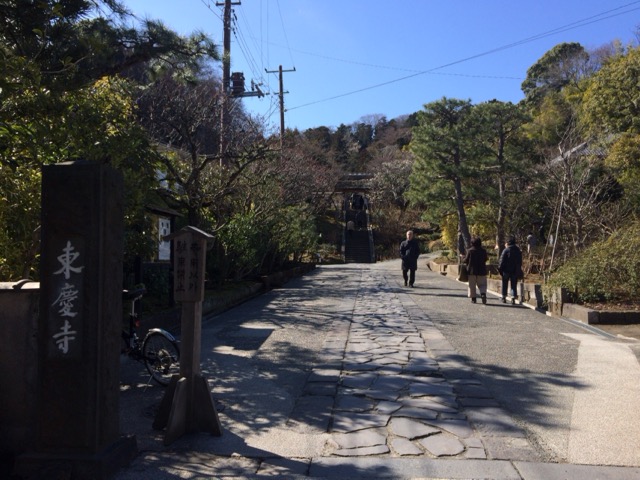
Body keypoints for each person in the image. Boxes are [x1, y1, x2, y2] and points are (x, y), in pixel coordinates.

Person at [462, 237, 488, 304]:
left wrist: (463, 257)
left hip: (472, 271)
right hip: (482, 270)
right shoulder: (483, 251)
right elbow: (486, 259)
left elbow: (466, 260)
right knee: (482, 284)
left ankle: (473, 299)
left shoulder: (470, 251)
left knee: (472, 285)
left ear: (472, 243)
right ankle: (483, 294)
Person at [498, 236, 523, 304]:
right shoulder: (518, 250)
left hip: (506, 270)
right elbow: (520, 261)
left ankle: (504, 297)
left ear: (508, 243)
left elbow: (501, 261)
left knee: (505, 283)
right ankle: (513, 298)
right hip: (515, 270)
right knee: (513, 284)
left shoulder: (506, 250)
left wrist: (500, 269)